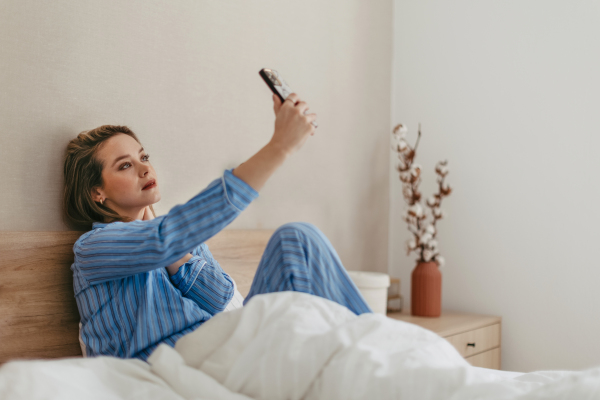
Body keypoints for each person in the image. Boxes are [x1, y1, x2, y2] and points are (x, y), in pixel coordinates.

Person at [63, 93, 372, 361]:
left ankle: (376, 347)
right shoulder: (94, 248)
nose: (145, 168)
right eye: (125, 165)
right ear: (96, 193)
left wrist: (176, 256)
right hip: (182, 365)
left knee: (297, 239)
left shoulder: (179, 239)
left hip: (227, 345)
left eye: (143, 156)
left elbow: (226, 303)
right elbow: (161, 240)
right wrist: (279, 146)